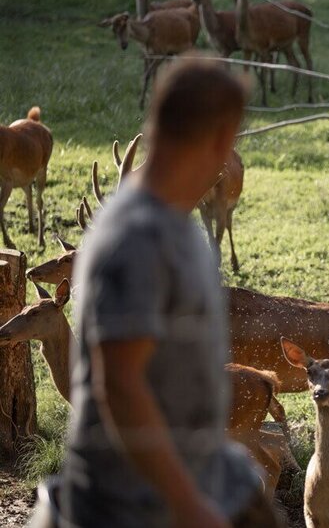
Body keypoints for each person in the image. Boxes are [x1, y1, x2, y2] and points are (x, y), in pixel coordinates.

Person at [29, 55, 278, 528]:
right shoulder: (136, 235)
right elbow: (119, 385)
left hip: (190, 479)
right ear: (221, 140)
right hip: (128, 506)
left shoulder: (174, 224)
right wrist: (190, 507)